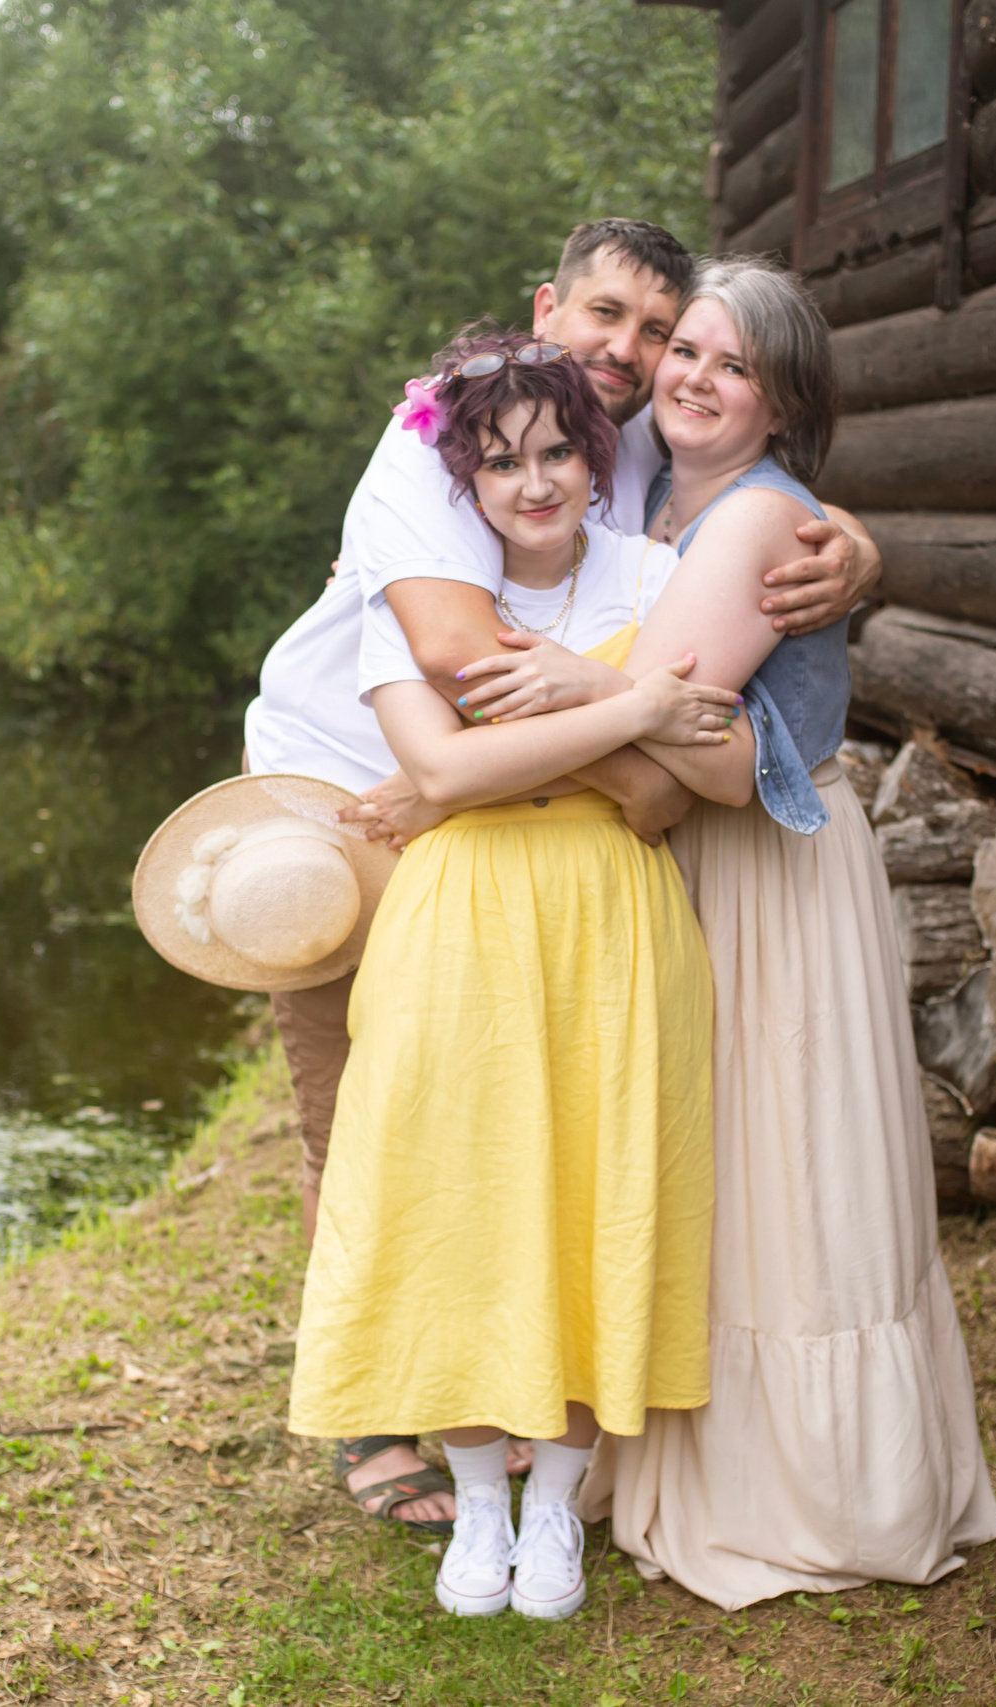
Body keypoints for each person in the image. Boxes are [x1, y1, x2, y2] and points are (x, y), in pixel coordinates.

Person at [239, 218, 884, 1534]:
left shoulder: (627, 432)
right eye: (609, 316)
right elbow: (466, 660)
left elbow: (750, 487)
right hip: (347, 789)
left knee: (512, 1114)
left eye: (658, 330)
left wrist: (854, 543)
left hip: (503, 826)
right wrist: (633, 712)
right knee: (360, 1109)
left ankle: (523, 1394)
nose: (634, 352)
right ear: (549, 304)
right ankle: (379, 1411)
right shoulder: (431, 440)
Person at [418, 256, 996, 1608]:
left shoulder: (752, 523)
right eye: (686, 347)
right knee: (698, 1165)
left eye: (733, 364)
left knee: (783, 1169)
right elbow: (643, 704)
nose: (690, 374)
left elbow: (658, 731)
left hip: (766, 876)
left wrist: (575, 683)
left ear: (784, 398)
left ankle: (803, 1482)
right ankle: (650, 1450)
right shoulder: (636, 481)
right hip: (679, 858)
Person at [287, 330, 749, 1622]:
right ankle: (479, 1494)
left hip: (613, 915)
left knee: (603, 1193)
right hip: (457, 925)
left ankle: (557, 1504)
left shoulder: (657, 574)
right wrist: (631, 703)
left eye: (557, 452)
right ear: (466, 483)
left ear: (594, 458)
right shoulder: (412, 593)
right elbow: (435, 777)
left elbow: (665, 796)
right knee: (460, 1199)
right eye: (502, 463)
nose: (535, 481)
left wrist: (531, 726)